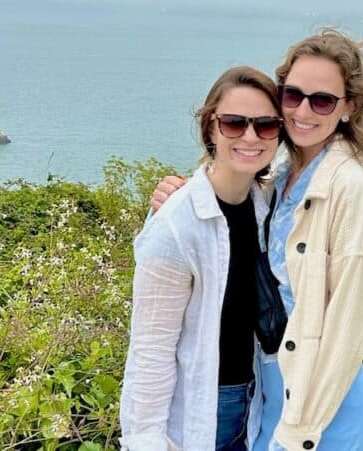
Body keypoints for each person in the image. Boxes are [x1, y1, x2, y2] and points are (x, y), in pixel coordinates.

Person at [150, 29, 363, 451]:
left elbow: (347, 332)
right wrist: (177, 198)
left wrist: (299, 432)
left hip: (322, 413)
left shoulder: (351, 190)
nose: (303, 110)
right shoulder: (280, 181)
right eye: (292, 95)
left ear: (348, 108)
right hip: (271, 395)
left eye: (322, 100)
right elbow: (224, 210)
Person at [120, 66, 285, 451]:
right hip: (204, 407)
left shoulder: (268, 205)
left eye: (265, 125)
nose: (249, 136)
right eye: (233, 123)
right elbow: (151, 349)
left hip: (259, 400)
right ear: (210, 129)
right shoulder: (177, 225)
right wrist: (145, 441)